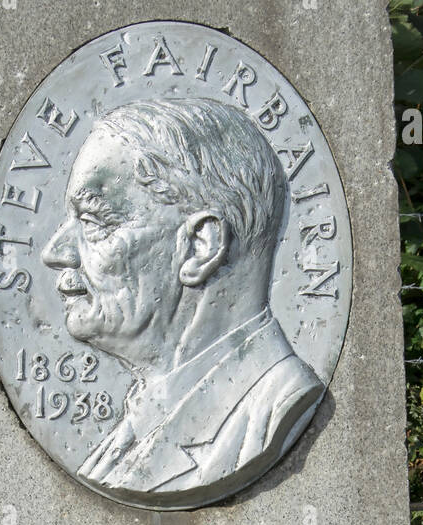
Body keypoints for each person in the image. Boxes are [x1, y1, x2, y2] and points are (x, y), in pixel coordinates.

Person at [41, 95, 324, 502]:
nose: (56, 251)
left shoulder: (271, 410)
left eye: (92, 219)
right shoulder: (129, 432)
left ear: (199, 246)